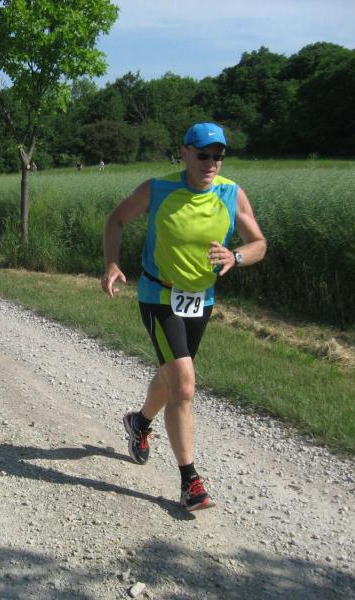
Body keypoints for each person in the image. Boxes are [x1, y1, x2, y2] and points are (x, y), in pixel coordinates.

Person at [100, 122, 266, 512]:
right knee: (185, 383)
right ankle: (190, 481)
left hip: (201, 300)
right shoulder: (158, 189)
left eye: (218, 156)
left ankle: (139, 422)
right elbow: (116, 220)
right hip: (159, 294)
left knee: (173, 376)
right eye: (203, 154)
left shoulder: (231, 194)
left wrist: (236, 256)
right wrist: (111, 264)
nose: (211, 162)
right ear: (185, 153)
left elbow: (258, 243)